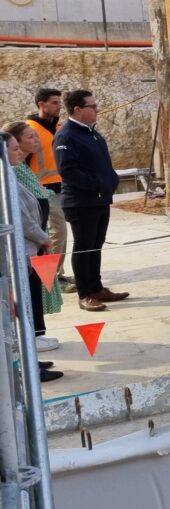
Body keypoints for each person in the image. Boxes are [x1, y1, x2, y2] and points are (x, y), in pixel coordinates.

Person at [53, 90, 127, 313]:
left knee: (96, 245)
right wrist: (96, 184)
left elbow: (103, 163)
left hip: (99, 200)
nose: (97, 109)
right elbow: (67, 170)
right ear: (77, 109)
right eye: (92, 106)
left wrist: (111, 180)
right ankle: (85, 293)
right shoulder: (66, 135)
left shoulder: (91, 133)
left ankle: (96, 287)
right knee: (84, 247)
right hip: (81, 202)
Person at [5, 124, 62, 370]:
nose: (20, 152)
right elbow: (20, 216)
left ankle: (30, 359)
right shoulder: (7, 177)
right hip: (20, 248)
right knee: (20, 301)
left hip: (28, 246)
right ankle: (27, 363)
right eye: (15, 148)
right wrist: (42, 237)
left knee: (28, 298)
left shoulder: (14, 170)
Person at [27, 88, 70, 289]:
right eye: (54, 102)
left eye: (59, 102)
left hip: (59, 189)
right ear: (41, 104)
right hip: (39, 190)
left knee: (57, 233)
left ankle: (53, 274)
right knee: (57, 232)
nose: (59, 105)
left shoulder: (58, 127)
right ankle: (52, 278)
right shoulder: (29, 129)